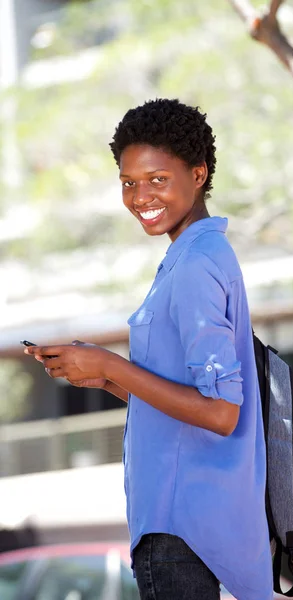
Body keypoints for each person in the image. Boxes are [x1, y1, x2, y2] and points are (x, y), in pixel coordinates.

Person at [24, 98, 273, 600]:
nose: (140, 196)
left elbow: (222, 413)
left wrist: (111, 362)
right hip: (187, 524)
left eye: (157, 179)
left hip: (181, 531)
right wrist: (105, 377)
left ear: (198, 173)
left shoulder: (197, 263)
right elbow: (186, 410)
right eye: (128, 183)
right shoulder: (193, 255)